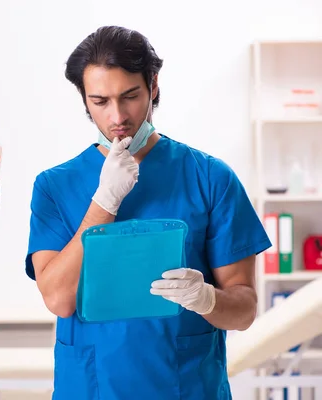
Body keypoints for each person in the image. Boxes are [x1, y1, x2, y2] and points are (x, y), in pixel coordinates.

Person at [24, 26, 271, 400]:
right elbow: (58, 299)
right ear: (84, 100)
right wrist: (103, 203)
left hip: (185, 388)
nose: (118, 116)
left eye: (130, 96)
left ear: (153, 86)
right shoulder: (55, 187)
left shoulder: (210, 178)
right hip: (91, 388)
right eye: (100, 101)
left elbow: (244, 311)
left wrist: (207, 299)